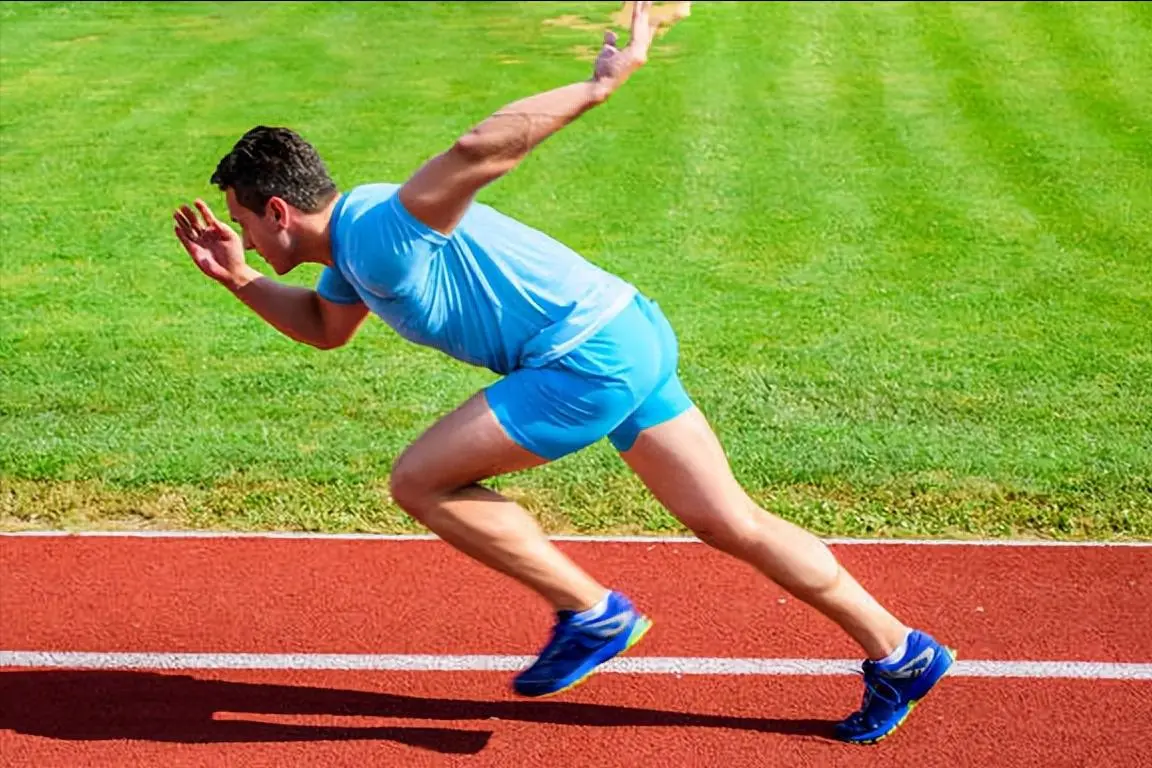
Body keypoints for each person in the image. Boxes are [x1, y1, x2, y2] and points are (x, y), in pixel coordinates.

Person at [173, 1, 953, 745]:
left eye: (244, 224)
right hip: (627, 331)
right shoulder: (353, 250)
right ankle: (899, 652)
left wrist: (599, 86)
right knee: (730, 522)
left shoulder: (380, 231)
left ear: (279, 211)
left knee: (420, 481)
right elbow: (322, 327)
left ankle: (590, 611)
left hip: (585, 356)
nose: (246, 237)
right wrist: (240, 278)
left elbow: (477, 150)